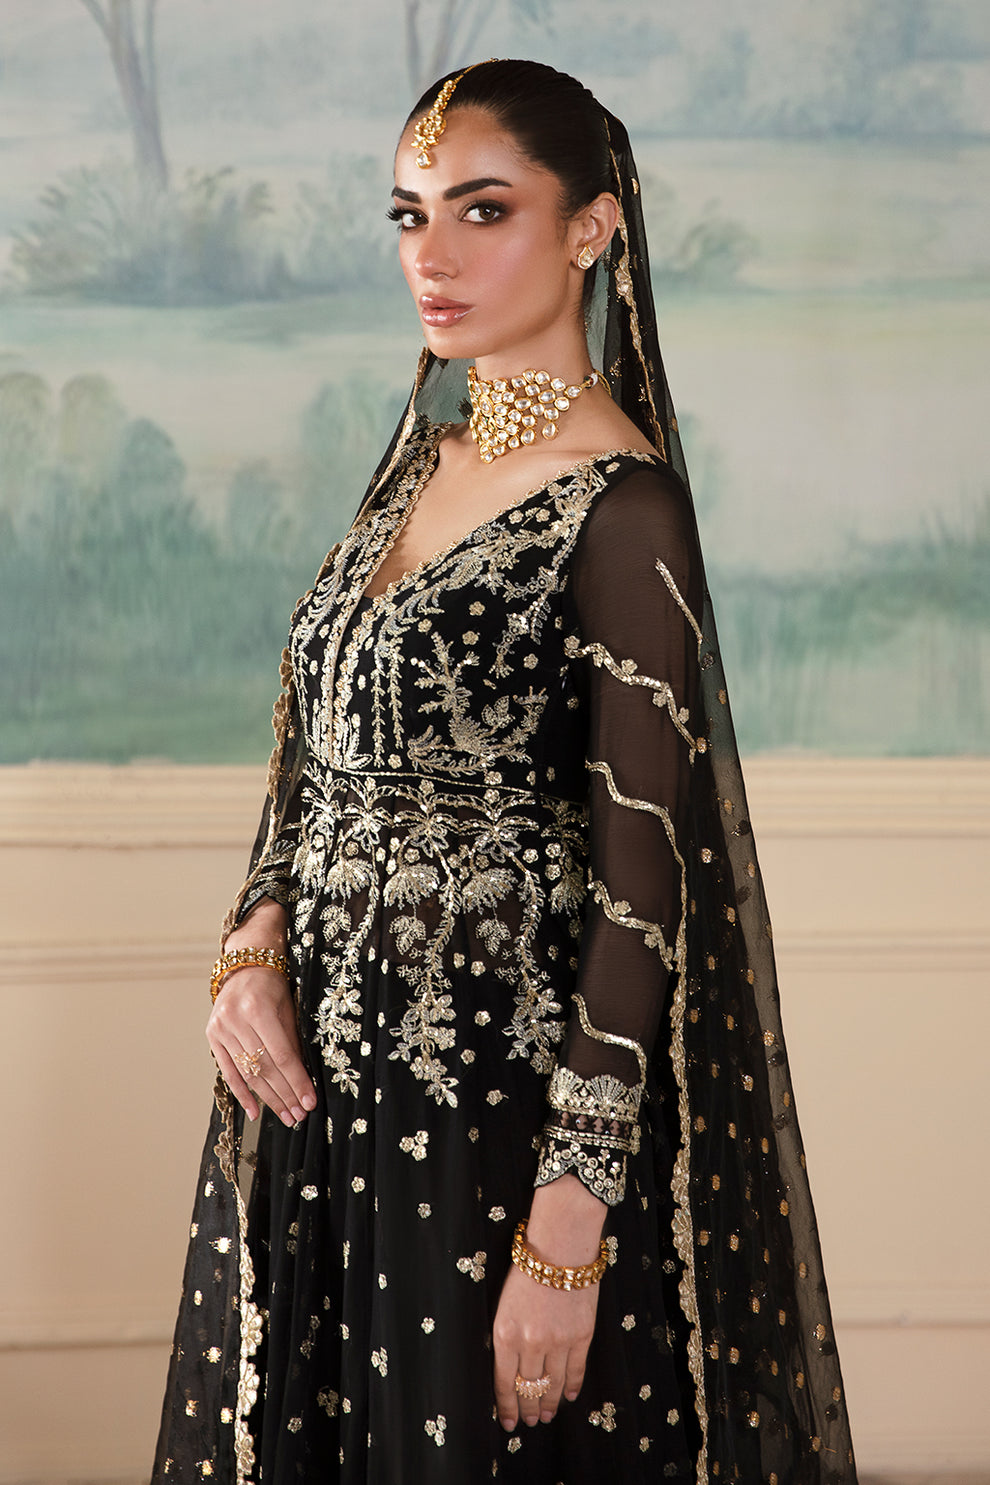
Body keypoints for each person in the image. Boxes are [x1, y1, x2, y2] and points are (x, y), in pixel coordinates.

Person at [153, 59, 857, 1485]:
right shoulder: (419, 463)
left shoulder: (622, 508)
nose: (434, 254)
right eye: (408, 215)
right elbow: (322, 759)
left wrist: (567, 1232)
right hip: (322, 1104)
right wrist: (252, 944)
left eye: (483, 210)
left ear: (592, 226)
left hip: (494, 1122)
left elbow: (642, 893)